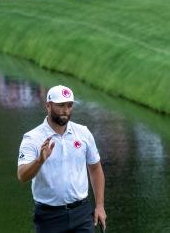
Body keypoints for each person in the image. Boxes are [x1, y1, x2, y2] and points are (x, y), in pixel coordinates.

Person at [17, 85, 106, 233]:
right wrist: (39, 161)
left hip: (82, 213)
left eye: (69, 105)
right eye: (60, 105)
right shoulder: (32, 138)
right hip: (49, 217)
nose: (66, 110)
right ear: (48, 106)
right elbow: (22, 176)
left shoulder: (83, 133)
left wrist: (100, 206)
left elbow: (95, 168)